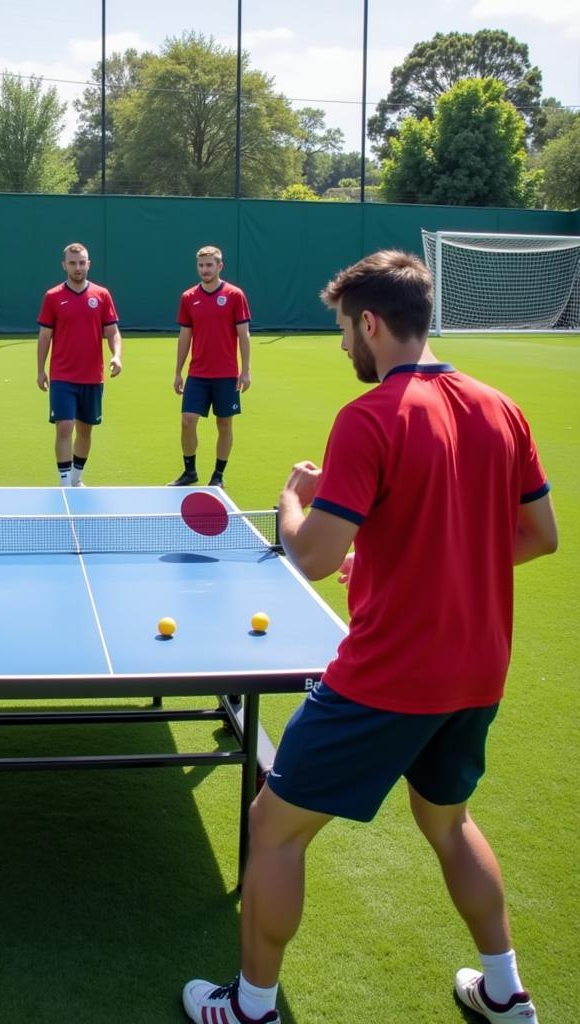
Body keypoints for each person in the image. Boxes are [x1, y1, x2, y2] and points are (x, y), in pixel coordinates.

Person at [182, 250, 558, 1024]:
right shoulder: (499, 405)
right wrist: (410, 563)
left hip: (388, 677)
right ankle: (505, 991)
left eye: (345, 329)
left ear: (373, 322)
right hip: (477, 672)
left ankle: (250, 1006)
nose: (343, 344)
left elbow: (311, 558)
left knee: (273, 829)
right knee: (448, 822)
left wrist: (292, 499)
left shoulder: (370, 417)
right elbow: (537, 534)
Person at [37, 242, 122, 487]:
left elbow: (113, 332)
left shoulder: (102, 295)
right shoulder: (53, 297)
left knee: (85, 431)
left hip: (93, 377)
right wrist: (40, 370)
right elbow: (45, 337)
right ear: (64, 265)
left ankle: (76, 479)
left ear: (88, 264)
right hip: (62, 376)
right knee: (64, 427)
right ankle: (64, 484)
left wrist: (117, 355)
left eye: (81, 262)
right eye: (72, 263)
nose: (77, 267)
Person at [169, 245, 252, 488]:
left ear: (219, 266)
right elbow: (185, 336)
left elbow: (244, 335)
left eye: (209, 265)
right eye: (201, 265)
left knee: (224, 423)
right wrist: (178, 371)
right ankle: (189, 471)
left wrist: (245, 370)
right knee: (187, 420)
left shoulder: (235, 295)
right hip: (198, 374)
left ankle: (218, 475)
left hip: (226, 375)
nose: (205, 270)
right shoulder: (188, 298)